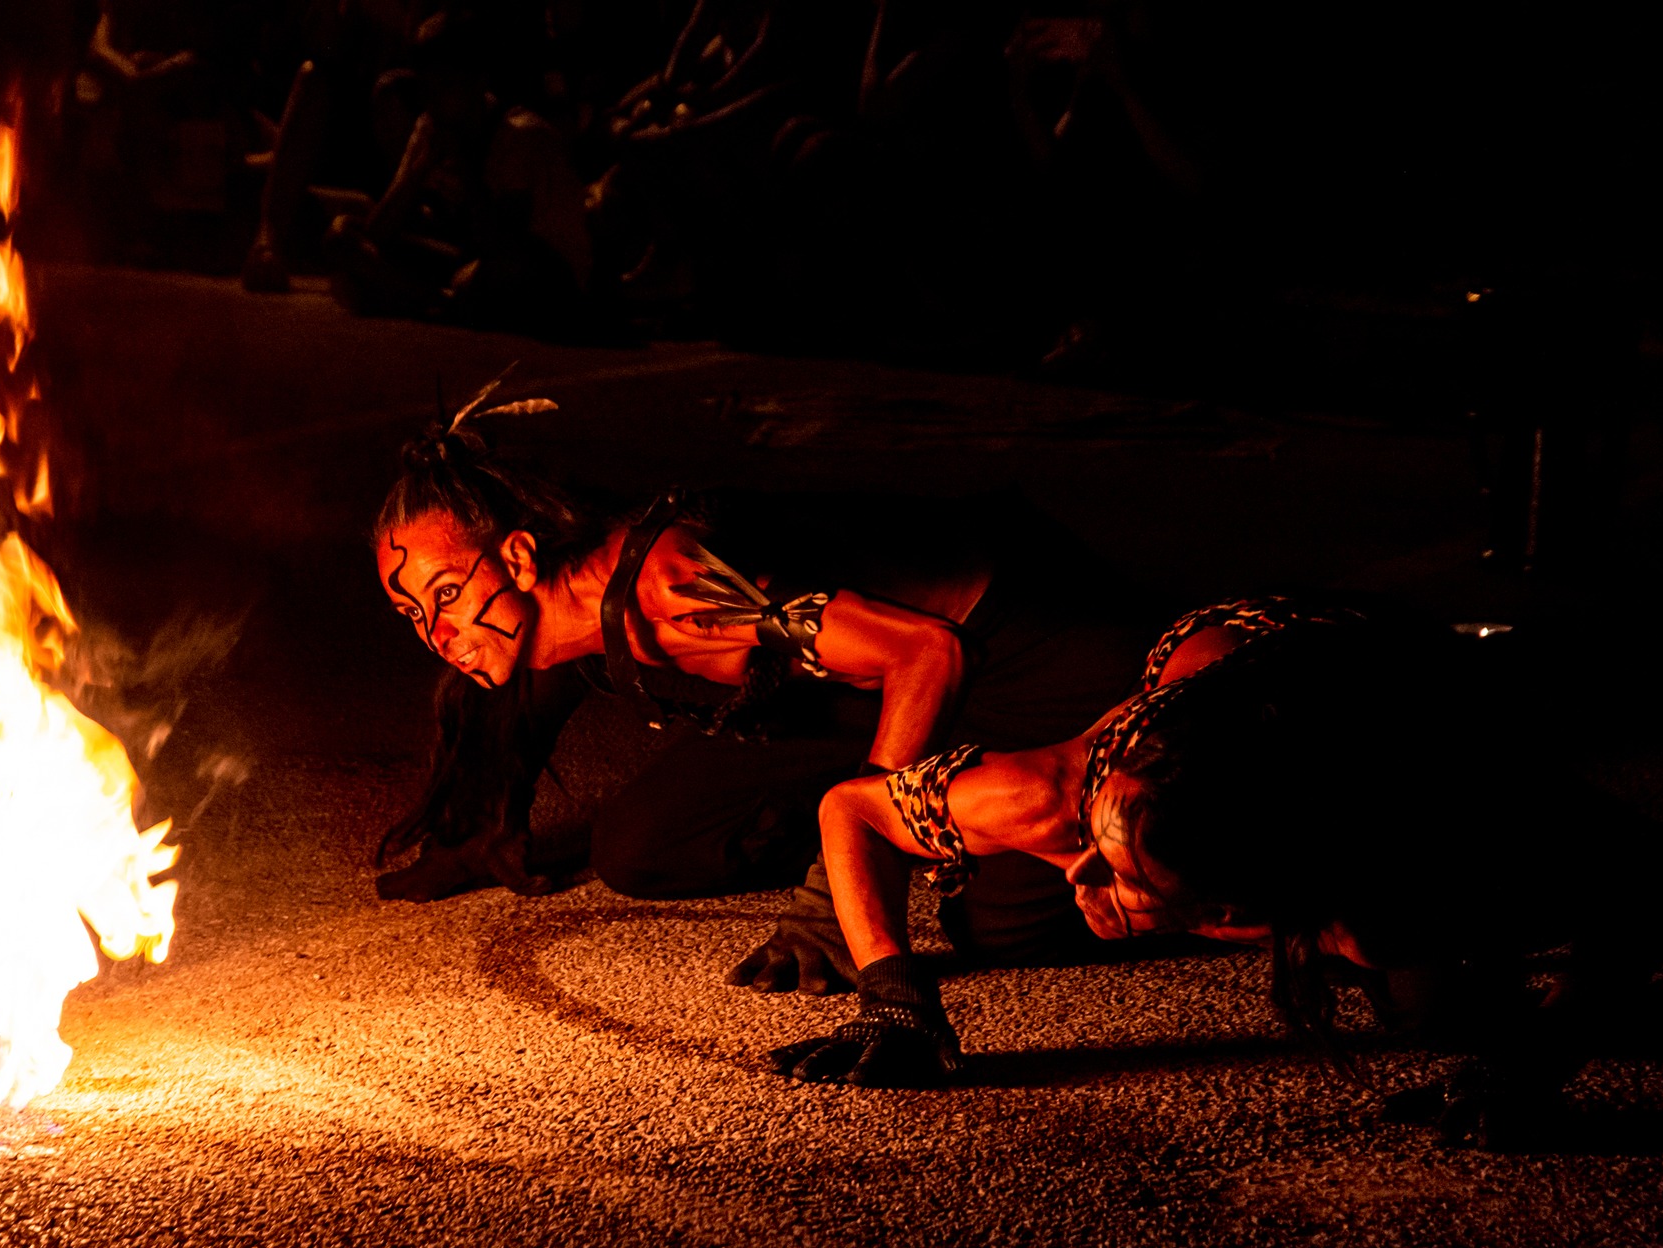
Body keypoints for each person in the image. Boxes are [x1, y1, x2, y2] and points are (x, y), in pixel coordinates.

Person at [775, 602, 1663, 1143]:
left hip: (1394, 684)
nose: (1085, 874)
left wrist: (1536, 1065)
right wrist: (894, 993)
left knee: (1429, 989)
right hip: (1224, 653)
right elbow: (849, 807)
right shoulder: (1051, 799)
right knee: (1000, 923)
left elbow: (1644, 880)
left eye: (1132, 877)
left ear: (1247, 894)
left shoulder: (1426, 820)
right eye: (1096, 845)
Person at [370, 382, 1152, 981]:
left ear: (516, 560)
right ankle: (890, 810)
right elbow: (534, 690)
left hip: (1015, 649)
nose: (437, 635)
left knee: (1000, 928)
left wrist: (838, 895)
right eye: (409, 613)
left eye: (445, 596)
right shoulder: (552, 611)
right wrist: (486, 818)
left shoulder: (676, 588)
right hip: (854, 689)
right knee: (640, 848)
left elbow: (929, 654)